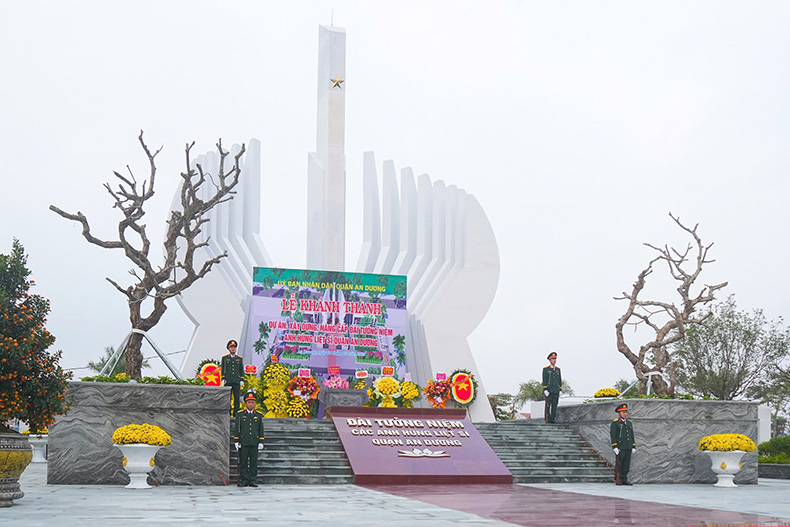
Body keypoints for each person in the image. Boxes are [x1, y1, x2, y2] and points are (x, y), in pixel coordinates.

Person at [234, 392, 265, 487]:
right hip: (244, 441)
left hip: (254, 441)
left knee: (253, 462)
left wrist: (261, 441)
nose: (250, 404)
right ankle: (244, 479)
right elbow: (237, 428)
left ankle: (252, 479)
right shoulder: (240, 415)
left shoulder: (259, 415)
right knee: (243, 461)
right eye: (249, 402)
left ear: (255, 403)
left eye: (252, 402)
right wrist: (236, 440)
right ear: (245, 403)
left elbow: (261, 429)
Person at [610, 403, 636, 485]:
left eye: (626, 412)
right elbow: (613, 435)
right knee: (619, 463)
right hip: (620, 447)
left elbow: (631, 435)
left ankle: (625, 478)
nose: (625, 414)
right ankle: (619, 478)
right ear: (619, 413)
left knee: (626, 464)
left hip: (628, 446)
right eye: (623, 412)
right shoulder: (616, 423)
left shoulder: (629, 423)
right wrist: (614, 446)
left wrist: (633, 445)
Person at [221, 340, 243, 416]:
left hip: (236, 380)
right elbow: (223, 369)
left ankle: (236, 412)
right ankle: (228, 412)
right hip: (228, 380)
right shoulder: (225, 358)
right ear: (228, 349)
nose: (233, 349)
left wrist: (241, 379)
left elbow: (241, 370)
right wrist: (223, 378)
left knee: (237, 398)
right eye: (231, 347)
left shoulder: (239, 358)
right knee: (228, 398)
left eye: (234, 347)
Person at [542, 351, 562, 423]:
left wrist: (560, 389)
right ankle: (548, 419)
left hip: (556, 390)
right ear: (550, 360)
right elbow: (545, 379)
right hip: (549, 390)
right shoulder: (546, 369)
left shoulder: (557, 370)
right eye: (553, 359)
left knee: (554, 406)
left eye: (555, 359)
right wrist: (545, 389)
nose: (554, 360)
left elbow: (559, 380)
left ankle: (552, 419)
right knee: (548, 406)